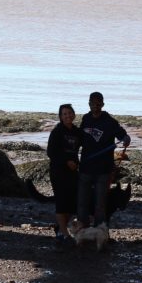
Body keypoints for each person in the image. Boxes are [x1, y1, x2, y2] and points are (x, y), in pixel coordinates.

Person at [77, 91, 130, 228]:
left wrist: (125, 139)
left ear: (102, 104)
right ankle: (82, 232)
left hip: (103, 170)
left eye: (98, 103)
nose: (95, 106)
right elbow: (79, 139)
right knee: (82, 202)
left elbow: (122, 135)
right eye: (92, 103)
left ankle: (100, 233)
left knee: (100, 204)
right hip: (86, 168)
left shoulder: (110, 121)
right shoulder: (85, 119)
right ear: (88, 104)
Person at [46, 103, 82, 240]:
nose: (68, 116)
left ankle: (60, 228)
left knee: (72, 202)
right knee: (61, 201)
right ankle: (64, 233)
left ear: (74, 114)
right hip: (58, 171)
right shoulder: (57, 131)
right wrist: (67, 161)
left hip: (73, 172)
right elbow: (50, 152)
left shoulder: (77, 132)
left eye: (69, 113)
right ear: (61, 117)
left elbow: (89, 144)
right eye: (64, 114)